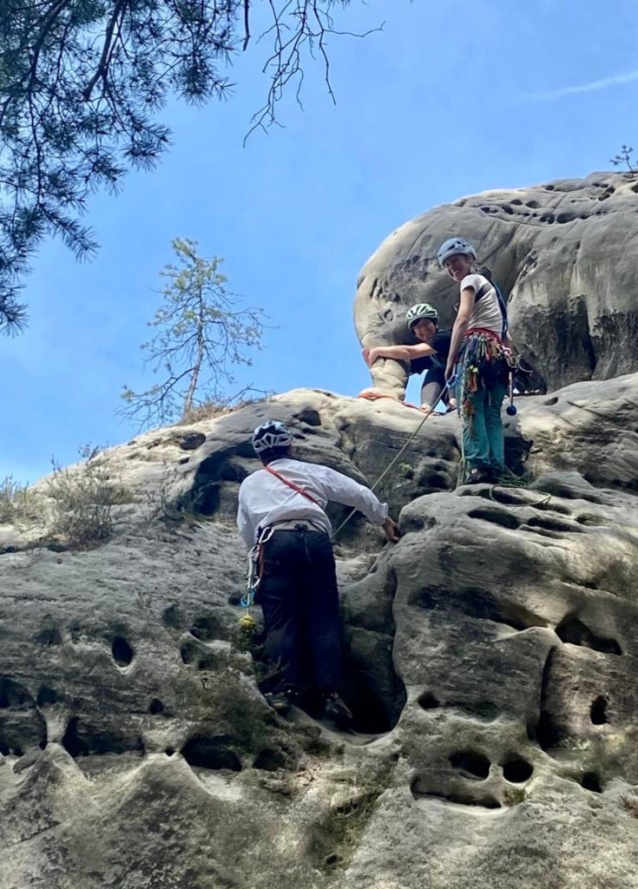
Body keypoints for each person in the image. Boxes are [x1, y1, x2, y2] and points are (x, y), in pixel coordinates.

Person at [236, 420, 400, 725]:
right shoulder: (309, 471)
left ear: (261, 456)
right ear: (290, 447)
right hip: (315, 539)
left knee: (281, 620)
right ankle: (331, 695)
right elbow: (357, 493)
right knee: (323, 618)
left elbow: (246, 532)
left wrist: (261, 556)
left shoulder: (251, 483)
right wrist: (383, 520)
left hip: (275, 542)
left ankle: (284, 689)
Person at [438, 237, 512, 484]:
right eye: (447, 265)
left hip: (477, 350)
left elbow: (462, 319)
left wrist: (450, 361)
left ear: (470, 259)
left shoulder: (470, 281)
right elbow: (507, 336)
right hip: (498, 356)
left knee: (470, 408)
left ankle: (478, 466)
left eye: (456, 261)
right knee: (491, 412)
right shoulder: (492, 291)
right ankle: (496, 467)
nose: (452, 268)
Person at [362, 303, 457, 414]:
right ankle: (426, 407)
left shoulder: (444, 337)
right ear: (414, 333)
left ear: (435, 324)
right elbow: (403, 365)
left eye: (426, 323)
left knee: (441, 369)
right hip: (447, 388)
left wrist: (378, 351)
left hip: (464, 382)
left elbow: (409, 352)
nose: (423, 329)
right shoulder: (427, 356)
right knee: (435, 370)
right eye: (418, 327)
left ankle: (453, 403)